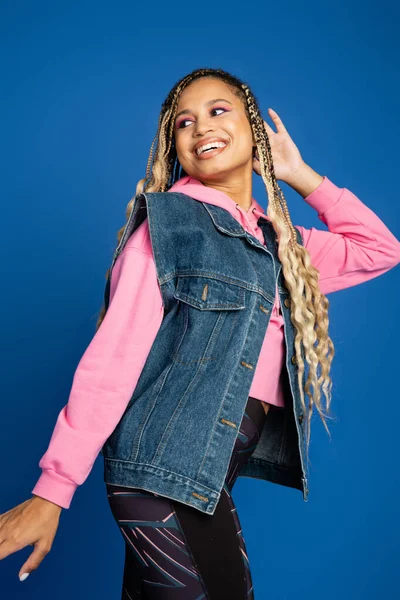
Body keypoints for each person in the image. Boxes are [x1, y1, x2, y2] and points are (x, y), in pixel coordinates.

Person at [1, 67, 399, 599]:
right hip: (160, 475)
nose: (199, 127)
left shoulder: (278, 242)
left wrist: (299, 174)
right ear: (175, 147)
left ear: (254, 129)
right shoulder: (169, 227)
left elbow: (381, 249)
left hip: (201, 478)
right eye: (183, 122)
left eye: (218, 111)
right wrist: (52, 492)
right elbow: (111, 360)